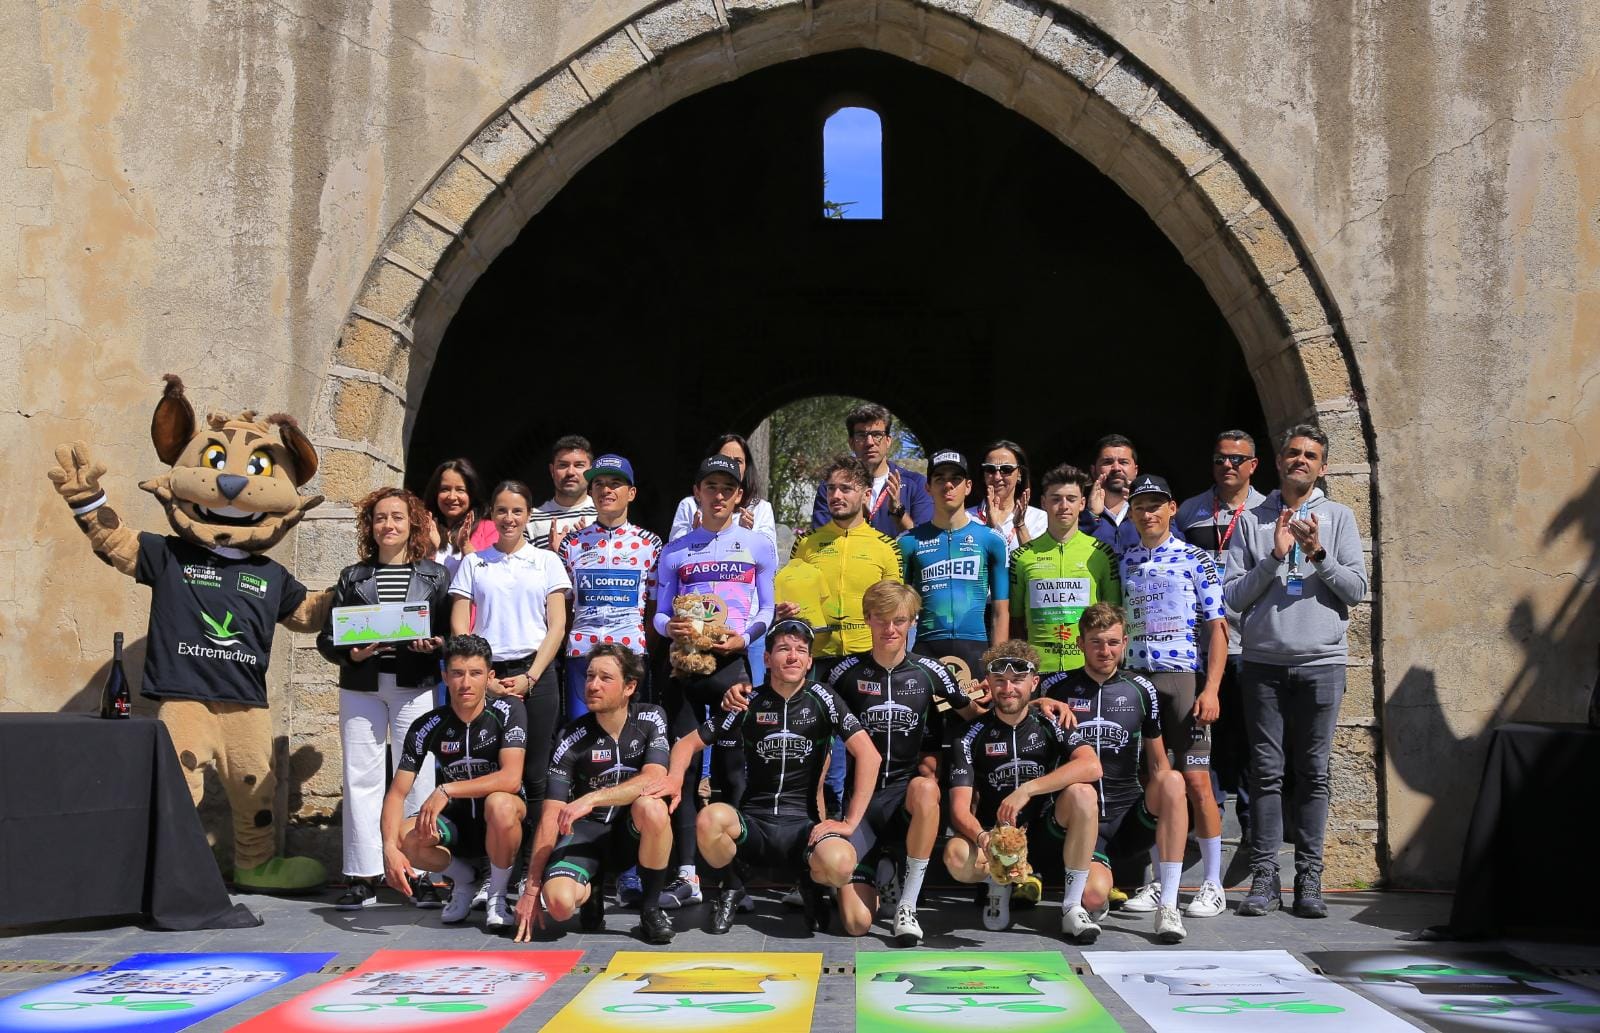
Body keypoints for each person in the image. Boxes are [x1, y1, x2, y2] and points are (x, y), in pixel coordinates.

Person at [1225, 424, 1368, 919]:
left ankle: (1310, 877)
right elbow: (1233, 596)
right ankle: (1265, 879)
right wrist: (1275, 556)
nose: (1300, 461)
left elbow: (1355, 590)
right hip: (1264, 663)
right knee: (1266, 773)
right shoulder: (1252, 519)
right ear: (1279, 461)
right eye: (1292, 453)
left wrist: (1318, 555)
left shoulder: (1340, 517)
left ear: (1322, 466)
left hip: (1321, 663)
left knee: (1314, 774)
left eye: (1310, 455)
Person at [665, 619, 882, 935]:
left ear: (809, 661)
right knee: (709, 820)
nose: (792, 656)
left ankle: (810, 885)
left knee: (841, 863)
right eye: (783, 649)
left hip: (803, 829)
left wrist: (848, 823)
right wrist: (673, 780)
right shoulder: (748, 701)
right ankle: (732, 883)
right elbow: (686, 744)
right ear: (766, 659)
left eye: (800, 650)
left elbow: (869, 756)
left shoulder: (824, 698)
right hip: (755, 826)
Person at [820, 582, 1001, 945]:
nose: (891, 630)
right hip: (862, 804)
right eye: (882, 620)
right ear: (867, 619)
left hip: (904, 799)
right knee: (856, 924)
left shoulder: (930, 671)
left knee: (926, 788)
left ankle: (908, 904)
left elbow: (975, 715)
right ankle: (882, 870)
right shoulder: (843, 673)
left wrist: (1035, 705)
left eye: (899, 621)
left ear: (912, 622)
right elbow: (815, 733)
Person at [317, 488, 453, 910]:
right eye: (379, 518)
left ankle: (422, 871)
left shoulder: (436, 575)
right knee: (362, 775)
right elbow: (327, 637)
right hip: (362, 684)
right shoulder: (352, 577)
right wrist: (350, 652)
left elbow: (455, 632)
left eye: (396, 517)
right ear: (370, 527)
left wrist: (437, 645)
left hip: (416, 683)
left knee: (419, 775)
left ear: (413, 523)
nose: (388, 525)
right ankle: (363, 873)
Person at [652, 453, 777, 909]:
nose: (719, 495)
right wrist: (670, 629)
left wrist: (742, 637)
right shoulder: (677, 550)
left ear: (739, 495)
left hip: (731, 665)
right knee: (681, 773)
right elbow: (661, 612)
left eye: (728, 488)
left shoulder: (757, 545)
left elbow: (766, 608)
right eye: (711, 487)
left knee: (734, 772)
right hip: (686, 670)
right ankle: (687, 874)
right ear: (697, 494)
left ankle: (735, 877)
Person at [1041, 603, 1193, 944]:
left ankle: (1168, 905)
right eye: (1095, 642)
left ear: (1124, 642)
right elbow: (1017, 712)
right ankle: (1090, 894)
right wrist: (1038, 704)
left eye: (1111, 642)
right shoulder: (1056, 686)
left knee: (1172, 780)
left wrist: (1164, 818)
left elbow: (1156, 762)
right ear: (1080, 644)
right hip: (1082, 819)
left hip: (1128, 815)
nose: (1104, 651)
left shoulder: (1142, 689)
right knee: (1094, 897)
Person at [1117, 473, 1229, 919]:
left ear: (1171, 508)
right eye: (1141, 506)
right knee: (1154, 784)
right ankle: (1158, 881)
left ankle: (1213, 882)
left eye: (1156, 505)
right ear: (1132, 512)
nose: (1148, 513)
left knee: (1198, 782)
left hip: (1183, 678)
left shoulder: (1195, 558)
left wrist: (1213, 688)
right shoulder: (1124, 561)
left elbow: (1218, 627)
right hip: (1140, 679)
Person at [942, 640, 1104, 941]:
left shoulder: (1052, 721)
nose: (1008, 689)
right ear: (987, 683)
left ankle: (1071, 908)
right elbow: (959, 809)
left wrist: (1027, 789)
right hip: (995, 836)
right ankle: (996, 884)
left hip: (1046, 834)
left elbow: (1092, 767)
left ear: (1034, 682)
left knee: (1083, 794)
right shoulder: (969, 734)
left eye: (1017, 680)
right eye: (1000, 681)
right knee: (956, 856)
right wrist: (984, 840)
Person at [514, 645, 675, 945]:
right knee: (560, 905)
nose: (593, 685)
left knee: (652, 807)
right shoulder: (571, 737)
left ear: (629, 686)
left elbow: (654, 777)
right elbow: (551, 814)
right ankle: (592, 889)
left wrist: (592, 798)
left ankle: (651, 910)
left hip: (632, 832)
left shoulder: (652, 718)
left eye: (605, 678)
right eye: (589, 676)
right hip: (587, 834)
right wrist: (532, 888)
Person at [379, 634, 528, 928]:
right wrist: (389, 849)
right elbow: (397, 794)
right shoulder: (428, 725)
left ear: (490, 677)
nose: (466, 683)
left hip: (499, 819)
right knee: (403, 836)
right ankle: (465, 881)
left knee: (501, 803)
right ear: (445, 676)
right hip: (456, 823)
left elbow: (511, 779)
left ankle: (497, 894)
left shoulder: (509, 710)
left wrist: (447, 789)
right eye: (457, 674)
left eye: (475, 674)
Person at [449, 480, 571, 810]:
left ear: (529, 515)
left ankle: (536, 857)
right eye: (501, 510)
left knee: (536, 771)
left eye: (517, 511)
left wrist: (530, 677)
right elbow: (460, 626)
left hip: (536, 674)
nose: (509, 518)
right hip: (487, 675)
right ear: (492, 513)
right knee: (487, 766)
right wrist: (483, 677)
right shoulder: (474, 563)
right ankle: (493, 859)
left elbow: (557, 625)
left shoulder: (547, 562)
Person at [1176, 430, 1267, 848]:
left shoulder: (1269, 512)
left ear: (1253, 465)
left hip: (1250, 640)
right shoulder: (1190, 511)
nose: (1226, 465)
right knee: (1203, 733)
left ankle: (1252, 828)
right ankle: (1207, 817)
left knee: (1248, 738)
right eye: (1219, 459)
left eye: (1235, 459)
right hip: (1199, 642)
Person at [556, 454, 661, 720]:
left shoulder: (651, 544)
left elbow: (655, 605)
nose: (606, 490)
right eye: (599, 484)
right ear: (590, 492)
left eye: (615, 483)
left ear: (632, 493)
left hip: (631, 653)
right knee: (580, 736)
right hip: (582, 654)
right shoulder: (571, 544)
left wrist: (644, 644)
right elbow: (563, 606)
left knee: (634, 738)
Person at [790, 454, 904, 679]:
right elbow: (789, 601)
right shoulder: (805, 544)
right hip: (816, 659)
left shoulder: (887, 547)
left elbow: (896, 612)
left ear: (866, 495)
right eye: (831, 488)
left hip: (868, 658)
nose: (836, 495)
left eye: (845, 489)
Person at [899, 449, 1011, 676]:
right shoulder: (908, 542)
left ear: (968, 486)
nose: (948, 485)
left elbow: (1001, 611)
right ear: (928, 487)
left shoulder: (991, 539)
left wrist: (997, 667)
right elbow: (899, 611)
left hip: (976, 649)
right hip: (926, 649)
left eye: (955, 479)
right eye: (940, 479)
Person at [1010, 464, 1122, 674]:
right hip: (1038, 670)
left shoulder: (1101, 553)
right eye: (1056, 499)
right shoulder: (1022, 556)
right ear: (1044, 503)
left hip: (1087, 668)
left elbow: (1115, 617)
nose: (1063, 506)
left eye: (1071, 499)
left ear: (1082, 503)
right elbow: (1016, 621)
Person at [808, 402, 932, 536]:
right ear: (851, 443)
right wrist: (855, 519)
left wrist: (897, 511)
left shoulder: (916, 484)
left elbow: (923, 543)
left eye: (877, 435)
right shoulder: (831, 487)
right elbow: (822, 539)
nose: (869, 442)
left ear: (888, 441)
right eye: (861, 435)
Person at [668, 433, 777, 546]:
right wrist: (697, 535)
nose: (731, 465)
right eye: (724, 459)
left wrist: (745, 535)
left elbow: (770, 556)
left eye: (738, 461)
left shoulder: (761, 508)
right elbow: (673, 553)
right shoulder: (689, 506)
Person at [423, 458, 500, 582]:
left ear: (472, 494)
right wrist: (431, 551)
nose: (452, 497)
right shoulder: (422, 528)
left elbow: (492, 578)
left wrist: (466, 547)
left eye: (460, 490)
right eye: (445, 489)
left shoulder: (490, 530)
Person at [968, 439, 1048, 556]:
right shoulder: (967, 518)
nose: (997, 477)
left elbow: (1037, 565)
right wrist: (991, 529)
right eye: (990, 469)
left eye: (1006, 469)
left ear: (1019, 473)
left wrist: (1020, 525)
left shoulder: (1039, 518)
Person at [526, 435, 596, 550]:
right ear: (552, 470)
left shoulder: (605, 515)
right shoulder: (532, 520)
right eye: (563, 465)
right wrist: (550, 556)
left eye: (579, 465)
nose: (570, 472)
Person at [1081, 433, 1145, 557]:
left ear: (1135, 470)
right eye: (1107, 462)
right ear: (1093, 471)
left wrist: (1139, 508)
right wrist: (1091, 516)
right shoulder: (1077, 513)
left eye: (1124, 462)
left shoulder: (1152, 511)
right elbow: (1068, 549)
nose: (1116, 468)